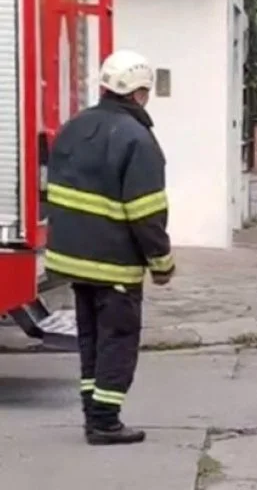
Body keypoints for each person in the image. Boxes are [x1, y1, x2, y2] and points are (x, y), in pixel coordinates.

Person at [45, 49, 174, 446]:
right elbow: (146, 211)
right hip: (113, 264)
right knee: (117, 340)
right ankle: (105, 421)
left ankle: (93, 413)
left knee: (91, 340)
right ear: (138, 93)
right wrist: (162, 262)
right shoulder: (137, 138)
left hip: (72, 260)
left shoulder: (73, 127)